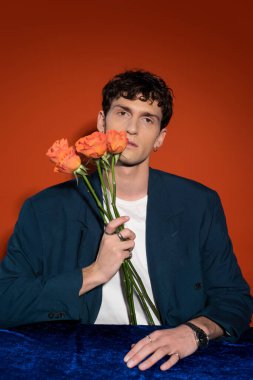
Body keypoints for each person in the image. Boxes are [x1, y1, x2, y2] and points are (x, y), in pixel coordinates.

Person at [0, 70, 252, 371]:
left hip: (170, 364)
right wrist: (94, 273)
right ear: (101, 122)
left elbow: (234, 299)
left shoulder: (199, 204)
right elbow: (5, 302)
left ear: (160, 138)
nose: (132, 128)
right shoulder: (45, 208)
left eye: (148, 119)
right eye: (122, 113)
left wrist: (194, 332)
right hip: (77, 359)